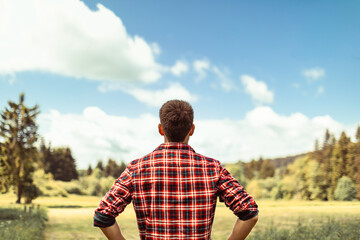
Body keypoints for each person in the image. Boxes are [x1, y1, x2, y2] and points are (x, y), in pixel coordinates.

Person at [94, 100, 258, 240]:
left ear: (160, 129)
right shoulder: (214, 169)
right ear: (192, 130)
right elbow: (250, 213)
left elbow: (103, 216)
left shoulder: (136, 169)